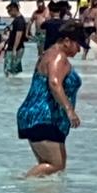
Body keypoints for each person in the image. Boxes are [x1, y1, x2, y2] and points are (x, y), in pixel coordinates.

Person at [17, 26, 83, 177]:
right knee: (55, 165)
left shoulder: (50, 54)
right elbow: (54, 83)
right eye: (78, 44)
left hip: (43, 117)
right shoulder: (58, 57)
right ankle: (18, 185)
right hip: (42, 116)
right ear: (66, 41)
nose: (79, 50)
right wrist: (69, 110)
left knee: (54, 168)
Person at [1, 0, 30, 76]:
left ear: (14, 9)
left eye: (9, 11)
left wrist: (14, 49)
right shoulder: (16, 20)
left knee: (9, 71)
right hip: (14, 48)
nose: (8, 14)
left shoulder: (20, 21)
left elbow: (19, 35)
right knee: (14, 71)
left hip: (15, 49)